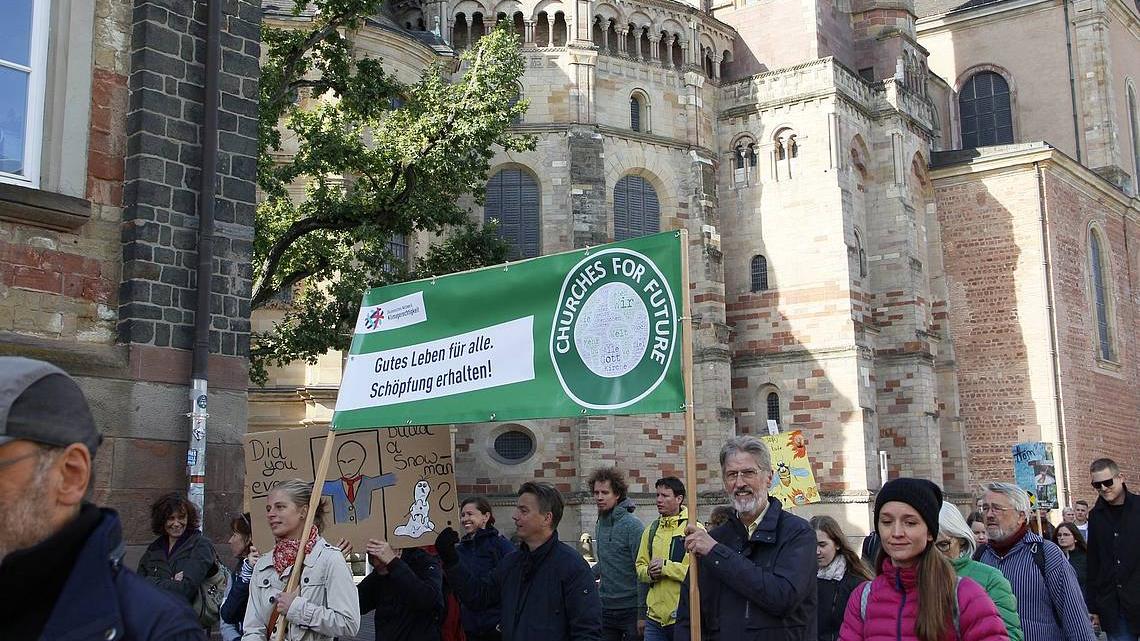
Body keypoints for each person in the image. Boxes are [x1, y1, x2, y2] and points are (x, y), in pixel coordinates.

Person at [0, 356, 206, 640]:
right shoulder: (154, 553)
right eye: (170, 518)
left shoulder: (158, 629)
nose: (175, 524)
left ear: (71, 475)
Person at [675, 435, 817, 640]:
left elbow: (782, 597)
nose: (740, 483)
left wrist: (717, 554)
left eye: (748, 473)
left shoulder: (798, 533)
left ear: (769, 477)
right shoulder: (713, 539)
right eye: (732, 475)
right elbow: (688, 617)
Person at [837, 478, 1009, 641]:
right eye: (887, 522)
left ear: (929, 532)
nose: (896, 533)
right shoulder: (863, 598)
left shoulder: (965, 595)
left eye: (910, 523)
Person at [435, 482, 602, 641]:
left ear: (547, 518)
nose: (515, 516)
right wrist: (451, 559)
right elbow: (478, 596)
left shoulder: (572, 566)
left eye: (523, 511)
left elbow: (587, 631)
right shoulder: (511, 563)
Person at [241, 479, 360, 641]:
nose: (271, 514)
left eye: (280, 507)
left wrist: (297, 609)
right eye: (269, 508)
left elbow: (349, 623)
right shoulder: (263, 565)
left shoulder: (330, 560)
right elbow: (253, 628)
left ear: (304, 512)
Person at [977, 482, 1095, 641]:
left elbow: (1075, 617)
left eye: (997, 508)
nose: (989, 514)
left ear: (1021, 516)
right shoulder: (980, 557)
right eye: (985, 508)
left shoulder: (1046, 554)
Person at [936, 502, 1023, 641]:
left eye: (943, 545)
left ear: (962, 541)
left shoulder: (990, 578)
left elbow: (1009, 635)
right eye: (927, 548)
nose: (936, 555)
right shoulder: (906, 578)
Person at [137, 492, 222, 613]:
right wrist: (171, 582)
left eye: (181, 518)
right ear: (162, 520)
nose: (176, 524)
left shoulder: (200, 545)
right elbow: (137, 586)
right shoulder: (154, 549)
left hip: (186, 620)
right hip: (154, 618)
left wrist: (150, 581)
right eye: (171, 518)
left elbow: (185, 590)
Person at [1086, 458, 1140, 641]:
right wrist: (1093, 606)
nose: (1104, 488)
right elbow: (1093, 561)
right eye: (1097, 484)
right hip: (1115, 607)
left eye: (1108, 482)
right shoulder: (1095, 516)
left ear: (1121, 478)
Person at [589, 468, 645, 641]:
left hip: (631, 609)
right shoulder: (600, 524)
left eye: (605, 492)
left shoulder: (633, 526)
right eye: (596, 492)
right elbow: (606, 562)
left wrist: (642, 614)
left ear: (618, 494)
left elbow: (642, 570)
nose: (599, 497)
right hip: (605, 608)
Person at [635, 476, 691, 641]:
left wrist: (666, 567)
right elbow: (639, 567)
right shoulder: (651, 530)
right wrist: (650, 573)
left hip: (682, 616)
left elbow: (696, 573)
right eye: (657, 495)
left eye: (665, 496)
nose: (659, 500)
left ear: (679, 499)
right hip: (654, 618)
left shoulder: (693, 529)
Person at [357, 538, 444, 641]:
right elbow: (358, 604)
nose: (375, 564)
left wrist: (394, 564)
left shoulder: (424, 562)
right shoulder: (378, 575)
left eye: (381, 562)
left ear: (397, 551)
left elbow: (428, 600)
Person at [455, 496, 516, 641]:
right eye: (462, 515)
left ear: (486, 516)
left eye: (470, 514)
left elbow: (513, 582)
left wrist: (502, 623)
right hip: (470, 628)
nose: (465, 519)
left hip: (496, 627)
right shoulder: (460, 550)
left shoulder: (500, 545)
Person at [810, 515, 871, 641]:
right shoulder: (802, 579)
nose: (817, 551)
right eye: (812, 545)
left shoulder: (856, 584)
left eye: (822, 545)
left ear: (837, 544)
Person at [221, 513, 258, 641]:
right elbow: (227, 616)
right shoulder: (238, 573)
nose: (230, 540)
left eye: (235, 535)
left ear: (248, 539)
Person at [1051, 522, 1087, 600]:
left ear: (1075, 538)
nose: (1062, 537)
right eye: (1059, 535)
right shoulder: (1052, 558)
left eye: (1066, 535)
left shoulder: (1085, 558)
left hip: (1083, 601)